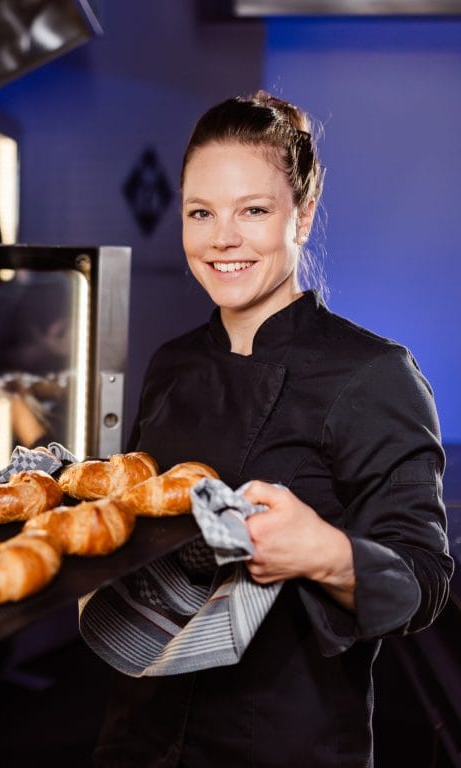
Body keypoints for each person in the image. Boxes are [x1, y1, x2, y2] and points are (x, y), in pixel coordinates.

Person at [85, 91, 453, 767]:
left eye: (253, 210)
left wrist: (322, 551)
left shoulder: (373, 374)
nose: (222, 238)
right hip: (140, 736)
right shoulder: (173, 363)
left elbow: (423, 582)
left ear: (303, 215)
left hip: (285, 744)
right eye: (201, 213)